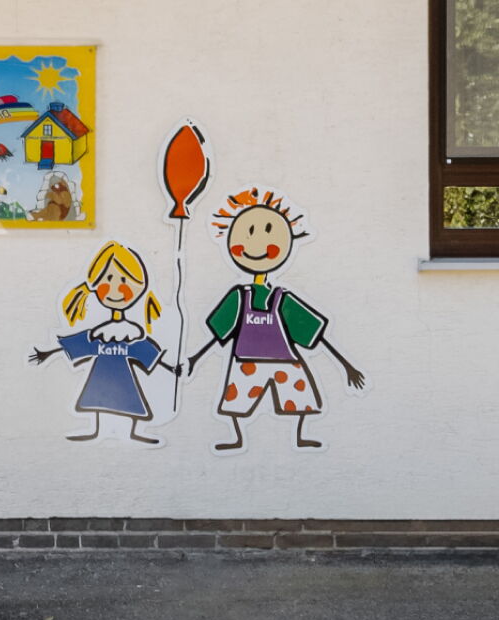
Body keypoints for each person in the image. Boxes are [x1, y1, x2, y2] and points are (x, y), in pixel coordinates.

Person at [178, 189, 361, 450]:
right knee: (236, 400)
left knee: (300, 397)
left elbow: (315, 334)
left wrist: (346, 366)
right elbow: (219, 334)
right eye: (248, 233)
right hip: (246, 361)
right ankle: (237, 438)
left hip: (283, 360)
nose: (257, 246)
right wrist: (195, 359)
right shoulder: (239, 296)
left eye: (268, 233)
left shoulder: (282, 298)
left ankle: (299, 436)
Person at [30, 242, 171, 443]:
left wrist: (173, 368)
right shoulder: (99, 334)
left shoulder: (131, 334)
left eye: (124, 280)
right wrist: (47, 353)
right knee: (99, 401)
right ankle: (99, 431)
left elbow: (147, 353)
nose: (115, 289)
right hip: (101, 376)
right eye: (108, 279)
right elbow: (78, 344)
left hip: (124, 379)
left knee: (127, 402)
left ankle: (129, 434)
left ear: (139, 286)